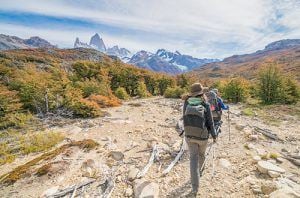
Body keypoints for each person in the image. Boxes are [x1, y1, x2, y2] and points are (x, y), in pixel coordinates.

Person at [183, 83, 217, 195]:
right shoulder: (205, 104)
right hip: (203, 136)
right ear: (201, 93)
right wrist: (214, 135)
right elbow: (210, 122)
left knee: (193, 159)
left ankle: (195, 188)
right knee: (201, 155)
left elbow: (184, 118)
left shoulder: (186, 102)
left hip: (189, 136)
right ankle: (201, 171)